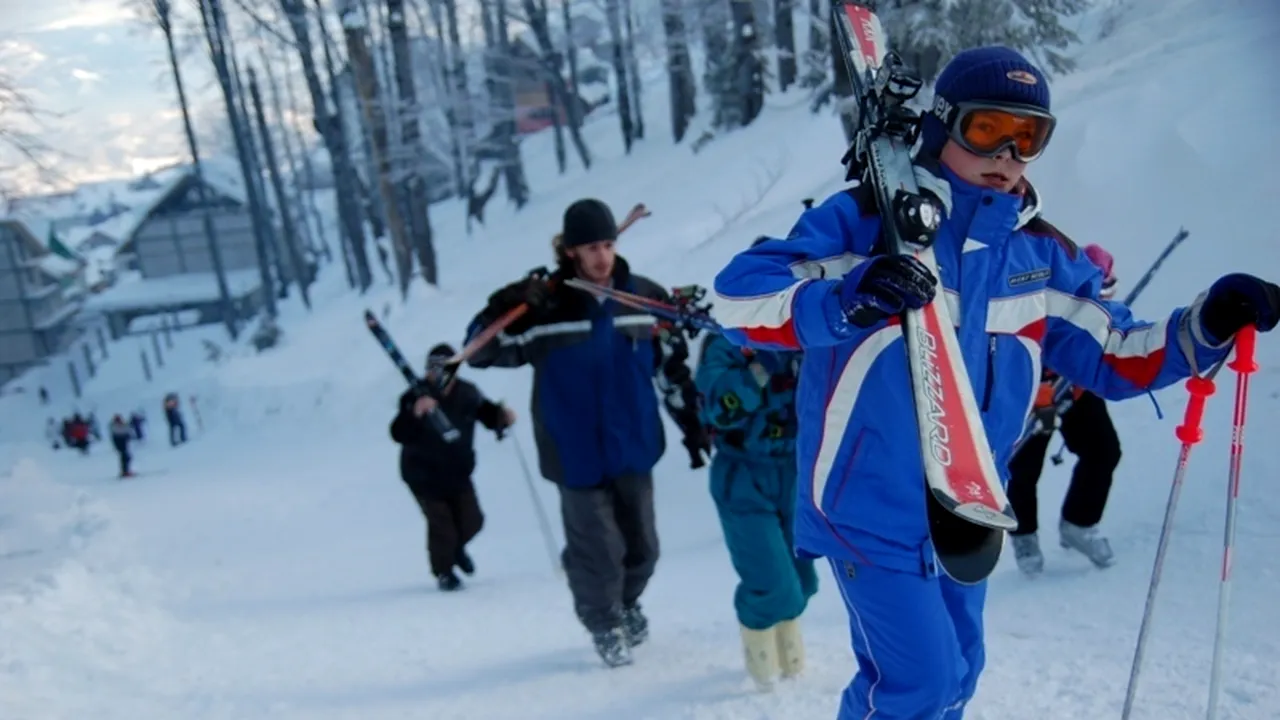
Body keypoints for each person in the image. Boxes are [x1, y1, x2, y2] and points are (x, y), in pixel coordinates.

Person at [709, 45, 1280, 719]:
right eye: (988, 129)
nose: (1008, 152)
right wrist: (847, 299)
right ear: (944, 124)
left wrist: (1208, 323)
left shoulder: (1037, 254)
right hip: (868, 504)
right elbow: (737, 301)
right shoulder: (867, 223)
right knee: (915, 684)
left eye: (1029, 136)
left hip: (968, 507)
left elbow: (1118, 351)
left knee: (957, 675)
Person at [462, 198, 709, 668]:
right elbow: (477, 351)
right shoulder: (543, 308)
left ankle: (628, 602)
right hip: (573, 453)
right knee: (600, 553)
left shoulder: (641, 298)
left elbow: (671, 367)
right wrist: (504, 304)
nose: (601, 257)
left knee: (643, 551)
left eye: (608, 244)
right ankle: (604, 623)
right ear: (571, 251)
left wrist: (692, 425)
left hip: (634, 445)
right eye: (591, 247)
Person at [695, 323, 817, 691]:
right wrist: (760, 369)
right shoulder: (726, 342)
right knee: (771, 582)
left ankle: (789, 656)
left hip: (794, 471)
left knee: (804, 581)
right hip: (744, 474)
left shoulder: (806, 333)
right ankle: (762, 671)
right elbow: (717, 409)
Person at [1009, 243, 1122, 574]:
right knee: (1024, 468)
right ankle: (1024, 535)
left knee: (1104, 450)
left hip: (1075, 388)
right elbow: (1022, 350)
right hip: (1030, 393)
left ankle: (1079, 523)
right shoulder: (1046, 299)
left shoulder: (1100, 308)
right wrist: (1042, 398)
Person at [389, 343, 515, 592]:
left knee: (473, 521)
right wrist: (414, 413)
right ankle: (444, 572)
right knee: (442, 526)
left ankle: (455, 550)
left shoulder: (467, 393)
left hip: (458, 472)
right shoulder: (414, 396)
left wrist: (502, 416)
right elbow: (398, 432)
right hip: (423, 475)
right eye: (431, 368)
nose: (435, 373)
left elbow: (487, 413)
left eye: (443, 368)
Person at [110, 414, 134, 478]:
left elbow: (127, 431)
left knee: (127, 457)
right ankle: (125, 471)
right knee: (125, 458)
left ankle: (126, 470)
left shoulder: (118, 426)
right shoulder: (115, 427)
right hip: (121, 445)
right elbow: (123, 432)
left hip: (123, 444)